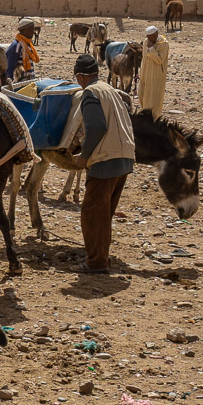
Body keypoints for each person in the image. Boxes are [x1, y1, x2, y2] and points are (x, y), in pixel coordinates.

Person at [71, 53, 134, 274]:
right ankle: (101, 256)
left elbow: (96, 128)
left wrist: (83, 157)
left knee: (92, 213)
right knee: (104, 214)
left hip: (106, 159)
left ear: (80, 77)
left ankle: (96, 263)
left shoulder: (90, 93)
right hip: (124, 156)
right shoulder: (109, 90)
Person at [137, 25, 169, 116]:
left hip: (156, 75)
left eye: (153, 37)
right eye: (150, 38)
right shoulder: (146, 42)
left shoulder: (164, 44)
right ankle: (145, 114)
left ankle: (153, 118)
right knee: (141, 94)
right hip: (145, 73)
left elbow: (160, 60)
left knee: (152, 97)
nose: (152, 39)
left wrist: (151, 49)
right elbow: (144, 58)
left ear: (157, 34)